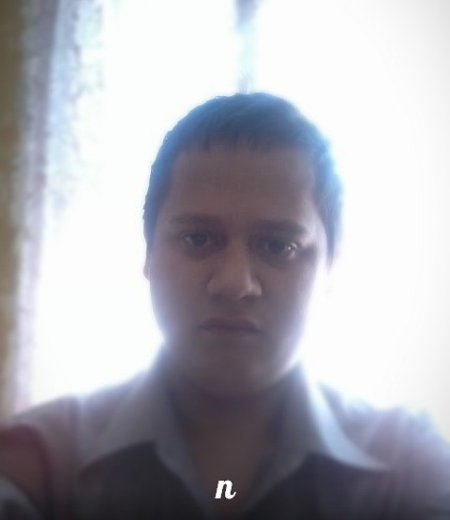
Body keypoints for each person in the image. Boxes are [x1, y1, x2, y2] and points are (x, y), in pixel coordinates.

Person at [0, 92, 449, 519]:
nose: (234, 283)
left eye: (279, 246)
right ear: (148, 255)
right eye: (198, 239)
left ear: (330, 265)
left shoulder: (407, 464)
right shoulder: (38, 463)